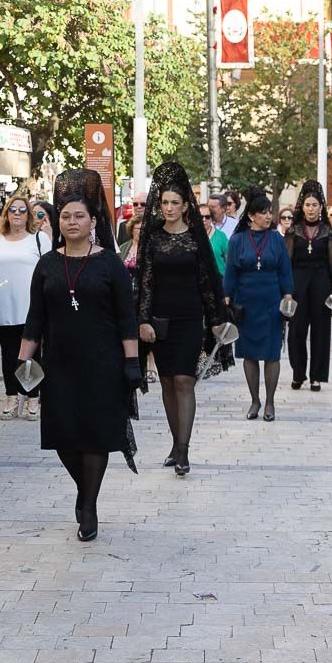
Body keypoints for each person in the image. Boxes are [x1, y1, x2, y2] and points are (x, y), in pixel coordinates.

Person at [17, 169, 141, 542]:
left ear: (93, 221)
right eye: (66, 216)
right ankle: (84, 489)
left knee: (97, 436)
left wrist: (132, 362)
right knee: (64, 436)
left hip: (104, 364)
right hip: (60, 365)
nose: (72, 222)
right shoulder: (47, 264)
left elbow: (126, 317)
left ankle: (88, 505)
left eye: (79, 216)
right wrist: (24, 363)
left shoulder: (109, 263)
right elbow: (35, 317)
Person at [136, 162, 233, 474]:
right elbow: (145, 282)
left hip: (190, 317)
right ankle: (176, 444)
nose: (168, 208)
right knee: (166, 382)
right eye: (164, 202)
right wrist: (143, 320)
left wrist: (217, 318)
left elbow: (207, 282)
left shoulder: (195, 239)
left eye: (174, 203)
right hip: (160, 318)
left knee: (184, 381)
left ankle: (184, 451)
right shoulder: (152, 238)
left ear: (185, 205)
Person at [224, 189, 292, 421]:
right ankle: (254, 400)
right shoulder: (237, 240)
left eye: (269, 212)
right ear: (251, 216)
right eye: (263, 213)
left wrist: (288, 295)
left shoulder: (277, 239)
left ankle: (270, 402)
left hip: (271, 301)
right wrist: (227, 298)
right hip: (246, 303)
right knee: (250, 354)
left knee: (272, 354)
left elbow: (285, 269)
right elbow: (231, 272)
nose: (268, 217)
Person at [0, 196, 50, 421]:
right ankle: (11, 397)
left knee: (32, 355)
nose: (17, 214)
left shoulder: (39, 239)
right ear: (6, 214)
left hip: (32, 306)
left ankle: (33, 396)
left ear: (28, 215)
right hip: (5, 305)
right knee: (8, 354)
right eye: (12, 210)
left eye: (22, 210)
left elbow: (49, 274)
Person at [285, 181, 332, 392]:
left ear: (320, 207)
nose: (310, 208)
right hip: (297, 284)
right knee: (296, 331)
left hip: (322, 284)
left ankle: (317, 376)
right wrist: (286, 291)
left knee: (321, 330)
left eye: (314, 205)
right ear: (302, 206)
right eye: (307, 204)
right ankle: (298, 373)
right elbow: (286, 262)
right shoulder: (294, 231)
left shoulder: (328, 231)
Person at [198, 202, 228, 276]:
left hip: (219, 280)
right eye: (200, 216)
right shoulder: (190, 236)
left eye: (207, 217)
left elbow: (229, 261)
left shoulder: (221, 236)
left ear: (211, 218)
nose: (204, 219)